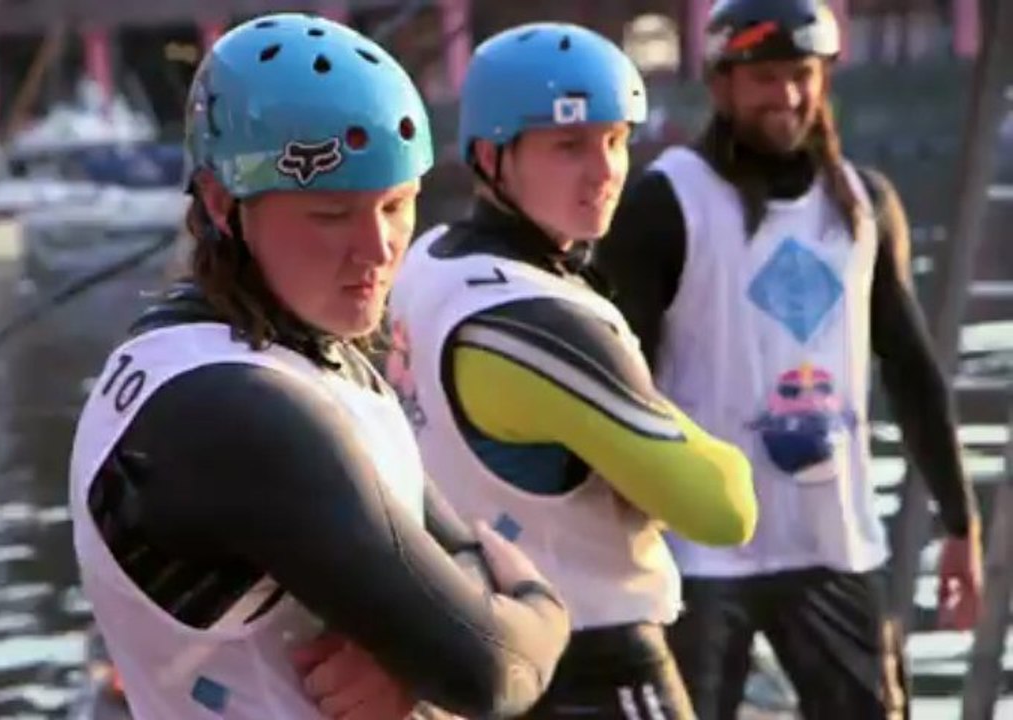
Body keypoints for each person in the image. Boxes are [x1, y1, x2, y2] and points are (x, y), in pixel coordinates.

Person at [67, 13, 573, 720]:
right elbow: (494, 669)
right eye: (331, 214)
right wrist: (539, 605)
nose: (376, 250)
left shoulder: (291, 351)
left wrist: (407, 655)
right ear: (221, 202)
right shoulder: (231, 407)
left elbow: (452, 555)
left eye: (396, 206)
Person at [592, 1, 985, 718]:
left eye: (801, 75)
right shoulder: (668, 201)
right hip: (699, 552)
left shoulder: (863, 205)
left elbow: (910, 370)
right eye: (764, 78)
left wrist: (959, 526)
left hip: (831, 544)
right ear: (721, 83)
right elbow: (617, 381)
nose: (787, 96)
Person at [382, 22, 757, 720]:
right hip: (594, 661)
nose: (605, 169)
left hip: (470, 656)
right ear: (491, 156)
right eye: (567, 147)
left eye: (614, 140)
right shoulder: (544, 320)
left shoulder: (426, 261)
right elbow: (721, 508)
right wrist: (684, 434)